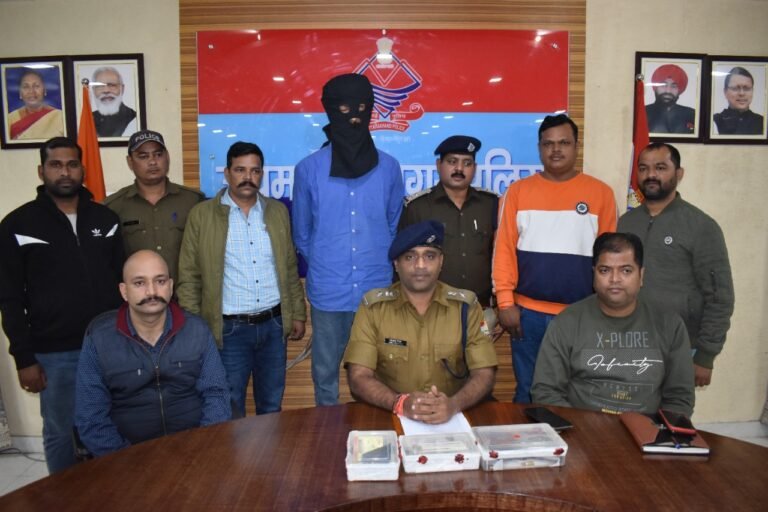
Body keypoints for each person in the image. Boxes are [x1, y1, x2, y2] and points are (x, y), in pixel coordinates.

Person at [0, 137, 124, 473]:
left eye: (72, 164)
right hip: (54, 353)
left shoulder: (106, 218)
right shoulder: (17, 225)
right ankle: (61, 496)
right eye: (56, 165)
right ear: (41, 171)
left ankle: (109, 491)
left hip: (110, 346)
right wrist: (24, 358)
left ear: (82, 169)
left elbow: (122, 284)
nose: (65, 172)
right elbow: (9, 297)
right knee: (60, 432)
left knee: (110, 424)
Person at [292, 73, 405, 406]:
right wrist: (329, 261)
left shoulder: (389, 168)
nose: (354, 116)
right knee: (325, 372)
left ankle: (378, 431)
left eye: (361, 108)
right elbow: (302, 233)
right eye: (344, 108)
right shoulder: (308, 169)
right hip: (329, 290)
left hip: (376, 289)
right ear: (330, 110)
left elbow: (394, 224)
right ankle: (327, 431)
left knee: (381, 372)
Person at [493, 114, 617, 403]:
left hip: (581, 315)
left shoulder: (601, 194)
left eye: (564, 143)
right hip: (528, 315)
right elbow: (504, 250)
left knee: (579, 394)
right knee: (528, 391)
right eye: (548, 144)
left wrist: (605, 309)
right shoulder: (517, 192)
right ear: (539, 148)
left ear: (576, 147)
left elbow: (610, 260)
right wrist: (505, 302)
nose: (556, 150)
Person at [178, 141, 306, 416]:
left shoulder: (277, 212)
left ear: (262, 174)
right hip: (229, 330)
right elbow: (188, 275)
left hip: (273, 325)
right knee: (230, 404)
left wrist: (297, 313)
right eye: (240, 170)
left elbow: (289, 266)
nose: (248, 177)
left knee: (271, 404)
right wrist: (196, 326)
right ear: (227, 173)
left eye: (255, 171)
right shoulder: (202, 215)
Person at [75, 250, 231, 457]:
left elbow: (217, 394)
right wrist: (126, 461)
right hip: (128, 457)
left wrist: (201, 447)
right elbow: (91, 417)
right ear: (124, 291)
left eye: (160, 281)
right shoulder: (99, 339)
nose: (151, 291)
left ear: (171, 286)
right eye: (139, 283)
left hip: (195, 448)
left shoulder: (196, 330)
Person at [344, 221, 497, 424]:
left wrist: (453, 405)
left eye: (430, 256)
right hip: (390, 414)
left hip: (454, 417)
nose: (420, 265)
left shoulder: (466, 307)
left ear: (441, 261)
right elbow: (358, 376)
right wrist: (399, 403)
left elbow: (484, 372)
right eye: (410, 257)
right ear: (396, 264)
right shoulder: (373, 308)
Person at [531, 232, 695, 416]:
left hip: (647, 430)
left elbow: (679, 398)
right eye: (605, 270)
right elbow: (546, 392)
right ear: (593, 274)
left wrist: (655, 431)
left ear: (641, 275)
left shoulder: (669, 325)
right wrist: (578, 428)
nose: (615, 279)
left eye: (626, 270)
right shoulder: (566, 322)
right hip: (581, 429)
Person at [618, 142, 734, 387]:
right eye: (643, 168)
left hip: (679, 347)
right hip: (626, 343)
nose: (651, 175)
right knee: (625, 408)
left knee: (670, 411)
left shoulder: (700, 226)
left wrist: (705, 356)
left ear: (678, 174)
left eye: (660, 168)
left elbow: (719, 296)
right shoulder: (625, 224)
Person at [399, 135, 498, 309]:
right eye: (452, 162)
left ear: (474, 168)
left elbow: (500, 255)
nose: (459, 169)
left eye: (467, 163)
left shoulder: (490, 204)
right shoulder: (418, 208)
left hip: (480, 307)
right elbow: (403, 261)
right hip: (432, 308)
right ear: (439, 165)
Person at [104, 130, 204, 284]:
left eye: (158, 154)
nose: (152, 162)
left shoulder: (192, 201)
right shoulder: (114, 206)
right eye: (143, 156)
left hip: (185, 294)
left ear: (167, 157)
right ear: (130, 162)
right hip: (139, 296)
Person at [7, 68, 65, 140]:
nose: (31, 91)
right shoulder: (10, 119)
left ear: (44, 91)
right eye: (26, 87)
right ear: (20, 94)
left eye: (36, 86)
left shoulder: (60, 117)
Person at [645, 64, 696, 134]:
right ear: (655, 88)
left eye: (674, 86)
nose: (668, 91)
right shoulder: (643, 112)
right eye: (663, 85)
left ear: (680, 90)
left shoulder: (691, 114)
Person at [713, 67, 765, 135]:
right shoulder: (715, 121)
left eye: (747, 88)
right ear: (725, 92)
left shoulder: (762, 122)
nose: (741, 93)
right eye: (735, 88)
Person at [91, 66, 138, 137]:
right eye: (100, 86)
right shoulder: (88, 119)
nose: (106, 90)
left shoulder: (133, 118)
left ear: (122, 89)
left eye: (112, 85)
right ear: (94, 90)